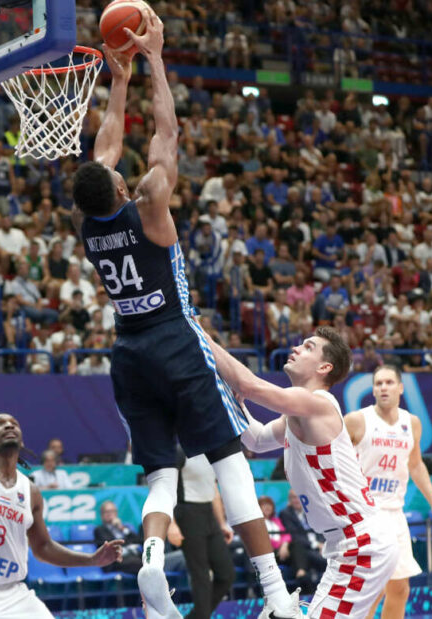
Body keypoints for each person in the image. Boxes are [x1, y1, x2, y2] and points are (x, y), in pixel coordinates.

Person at [70, 12, 296, 617]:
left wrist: (118, 81)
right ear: (122, 189)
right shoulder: (149, 207)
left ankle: (150, 556)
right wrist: (154, 60)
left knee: (159, 476)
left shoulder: (88, 223)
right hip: (176, 337)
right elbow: (165, 136)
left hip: (127, 352)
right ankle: (277, 595)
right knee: (229, 461)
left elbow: (103, 152)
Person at [210, 327, 400, 619]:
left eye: (309, 347)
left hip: (360, 543)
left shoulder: (319, 403)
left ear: (324, 367)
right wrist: (229, 397)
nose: (296, 348)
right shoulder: (297, 415)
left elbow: (249, 384)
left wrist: (202, 337)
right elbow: (256, 439)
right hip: (347, 543)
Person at [0, 413, 124, 618]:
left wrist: (91, 559)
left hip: (13, 594)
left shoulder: (31, 491)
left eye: (14, 424)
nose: (9, 426)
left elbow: (43, 546)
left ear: (22, 440)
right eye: (0, 424)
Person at [345, 365, 432, 619]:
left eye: (389, 382)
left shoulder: (412, 423)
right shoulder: (356, 420)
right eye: (378, 383)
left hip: (395, 513)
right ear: (373, 390)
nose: (383, 387)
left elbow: (415, 464)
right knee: (372, 591)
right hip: (365, 513)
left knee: (399, 589)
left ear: (401, 388)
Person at [173, 451, 234, 619]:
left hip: (208, 514)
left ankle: (196, 617)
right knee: (201, 575)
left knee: (226, 574)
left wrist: (222, 523)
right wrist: (171, 524)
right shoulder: (180, 452)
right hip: (187, 513)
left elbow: (213, 489)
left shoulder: (211, 450)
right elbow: (165, 489)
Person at [94, 501, 143, 575]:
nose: (110, 514)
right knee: (139, 564)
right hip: (114, 561)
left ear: (116, 513)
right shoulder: (99, 530)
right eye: (107, 512)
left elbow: (137, 540)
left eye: (112, 511)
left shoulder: (123, 527)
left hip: (132, 557)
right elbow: (110, 544)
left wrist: (121, 528)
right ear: (102, 515)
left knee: (148, 562)